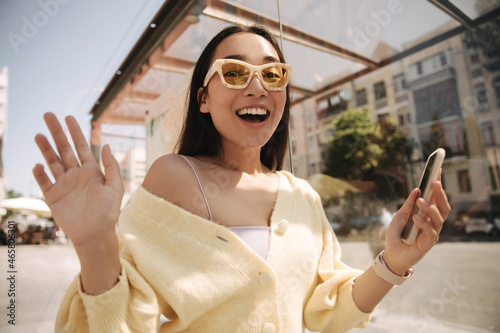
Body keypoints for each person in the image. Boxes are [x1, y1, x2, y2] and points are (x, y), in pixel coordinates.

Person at [33, 24, 451, 333]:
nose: (257, 86)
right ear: (203, 98)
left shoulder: (301, 196)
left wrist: (394, 263)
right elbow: (121, 320)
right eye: (234, 72)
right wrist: (93, 243)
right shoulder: (174, 175)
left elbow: (326, 312)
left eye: (273, 74)